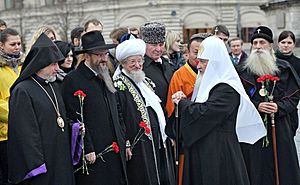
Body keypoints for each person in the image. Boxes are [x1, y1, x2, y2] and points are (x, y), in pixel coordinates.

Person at [171, 36, 266, 185]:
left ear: (216, 63)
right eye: (199, 61)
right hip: (203, 151)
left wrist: (182, 104)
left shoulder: (227, 88)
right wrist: (181, 103)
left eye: (203, 62)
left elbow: (206, 114)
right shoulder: (206, 85)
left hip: (219, 154)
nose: (198, 66)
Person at [8, 33, 82, 185]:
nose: (57, 68)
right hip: (42, 165)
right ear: (40, 64)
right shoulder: (23, 90)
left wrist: (75, 128)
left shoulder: (54, 86)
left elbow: (59, 120)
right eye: (53, 64)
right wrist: (37, 165)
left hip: (60, 157)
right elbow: (24, 133)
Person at [61, 31, 127, 185]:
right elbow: (74, 117)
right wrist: (87, 147)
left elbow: (117, 110)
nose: (104, 58)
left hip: (115, 147)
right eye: (99, 55)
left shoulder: (105, 74)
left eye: (105, 54)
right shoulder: (73, 80)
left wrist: (124, 140)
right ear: (87, 56)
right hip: (95, 152)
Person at [238, 26, 300, 185]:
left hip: (279, 127)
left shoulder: (284, 68)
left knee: (282, 166)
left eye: (262, 42)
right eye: (255, 43)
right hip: (252, 127)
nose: (258, 46)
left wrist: (279, 107)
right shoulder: (242, 71)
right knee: (255, 167)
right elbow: (237, 98)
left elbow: (294, 96)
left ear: (270, 45)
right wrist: (256, 105)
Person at [114, 38, 174, 185]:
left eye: (140, 61)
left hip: (157, 137)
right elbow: (118, 116)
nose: (137, 65)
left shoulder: (145, 81)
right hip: (138, 142)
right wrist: (126, 142)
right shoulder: (119, 84)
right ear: (123, 63)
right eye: (132, 62)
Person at [165, 32, 211, 185]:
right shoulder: (180, 75)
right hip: (188, 134)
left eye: (202, 53)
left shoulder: (216, 75)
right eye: (195, 52)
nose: (198, 57)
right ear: (187, 53)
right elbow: (172, 109)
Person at [0, 28, 23, 185]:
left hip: (25, 133)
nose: (17, 47)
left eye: (19, 43)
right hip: (5, 134)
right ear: (1, 45)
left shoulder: (24, 65)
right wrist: (19, 113)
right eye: (12, 44)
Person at [140, 22, 174, 107]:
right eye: (154, 45)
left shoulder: (167, 64)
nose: (158, 49)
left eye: (161, 44)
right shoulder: (139, 68)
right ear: (144, 45)